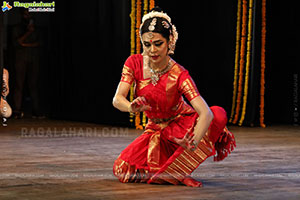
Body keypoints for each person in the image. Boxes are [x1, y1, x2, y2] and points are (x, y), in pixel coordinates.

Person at [112, 7, 236, 187]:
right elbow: (117, 99)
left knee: (218, 115)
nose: (152, 50)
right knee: (121, 169)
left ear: (170, 41)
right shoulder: (134, 63)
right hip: (155, 130)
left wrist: (192, 144)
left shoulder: (179, 74)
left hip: (181, 127)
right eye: (147, 44)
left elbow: (206, 113)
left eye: (158, 44)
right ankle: (171, 172)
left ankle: (179, 169)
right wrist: (131, 107)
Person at [12, 8, 43, 119]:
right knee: (19, 85)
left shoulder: (37, 30)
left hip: (33, 59)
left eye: (29, 14)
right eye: (25, 14)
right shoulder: (17, 28)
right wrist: (28, 33)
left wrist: (25, 44)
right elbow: (17, 42)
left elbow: (39, 43)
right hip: (20, 59)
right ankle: (17, 110)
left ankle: (36, 110)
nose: (27, 16)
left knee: (33, 85)